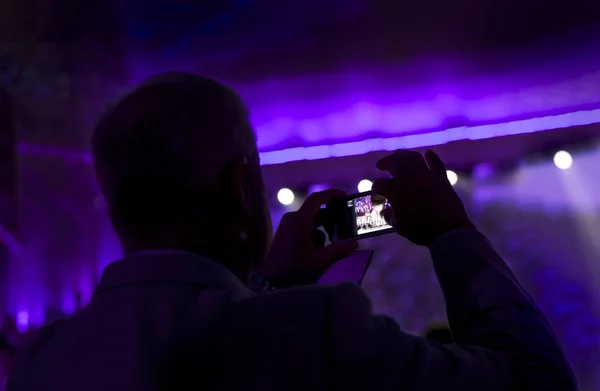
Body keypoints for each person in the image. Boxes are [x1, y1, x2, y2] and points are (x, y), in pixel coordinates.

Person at [8, 72, 576, 391]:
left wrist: (266, 286)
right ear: (240, 186)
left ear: (114, 205)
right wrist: (454, 234)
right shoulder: (317, 328)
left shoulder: (41, 361)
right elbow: (538, 383)